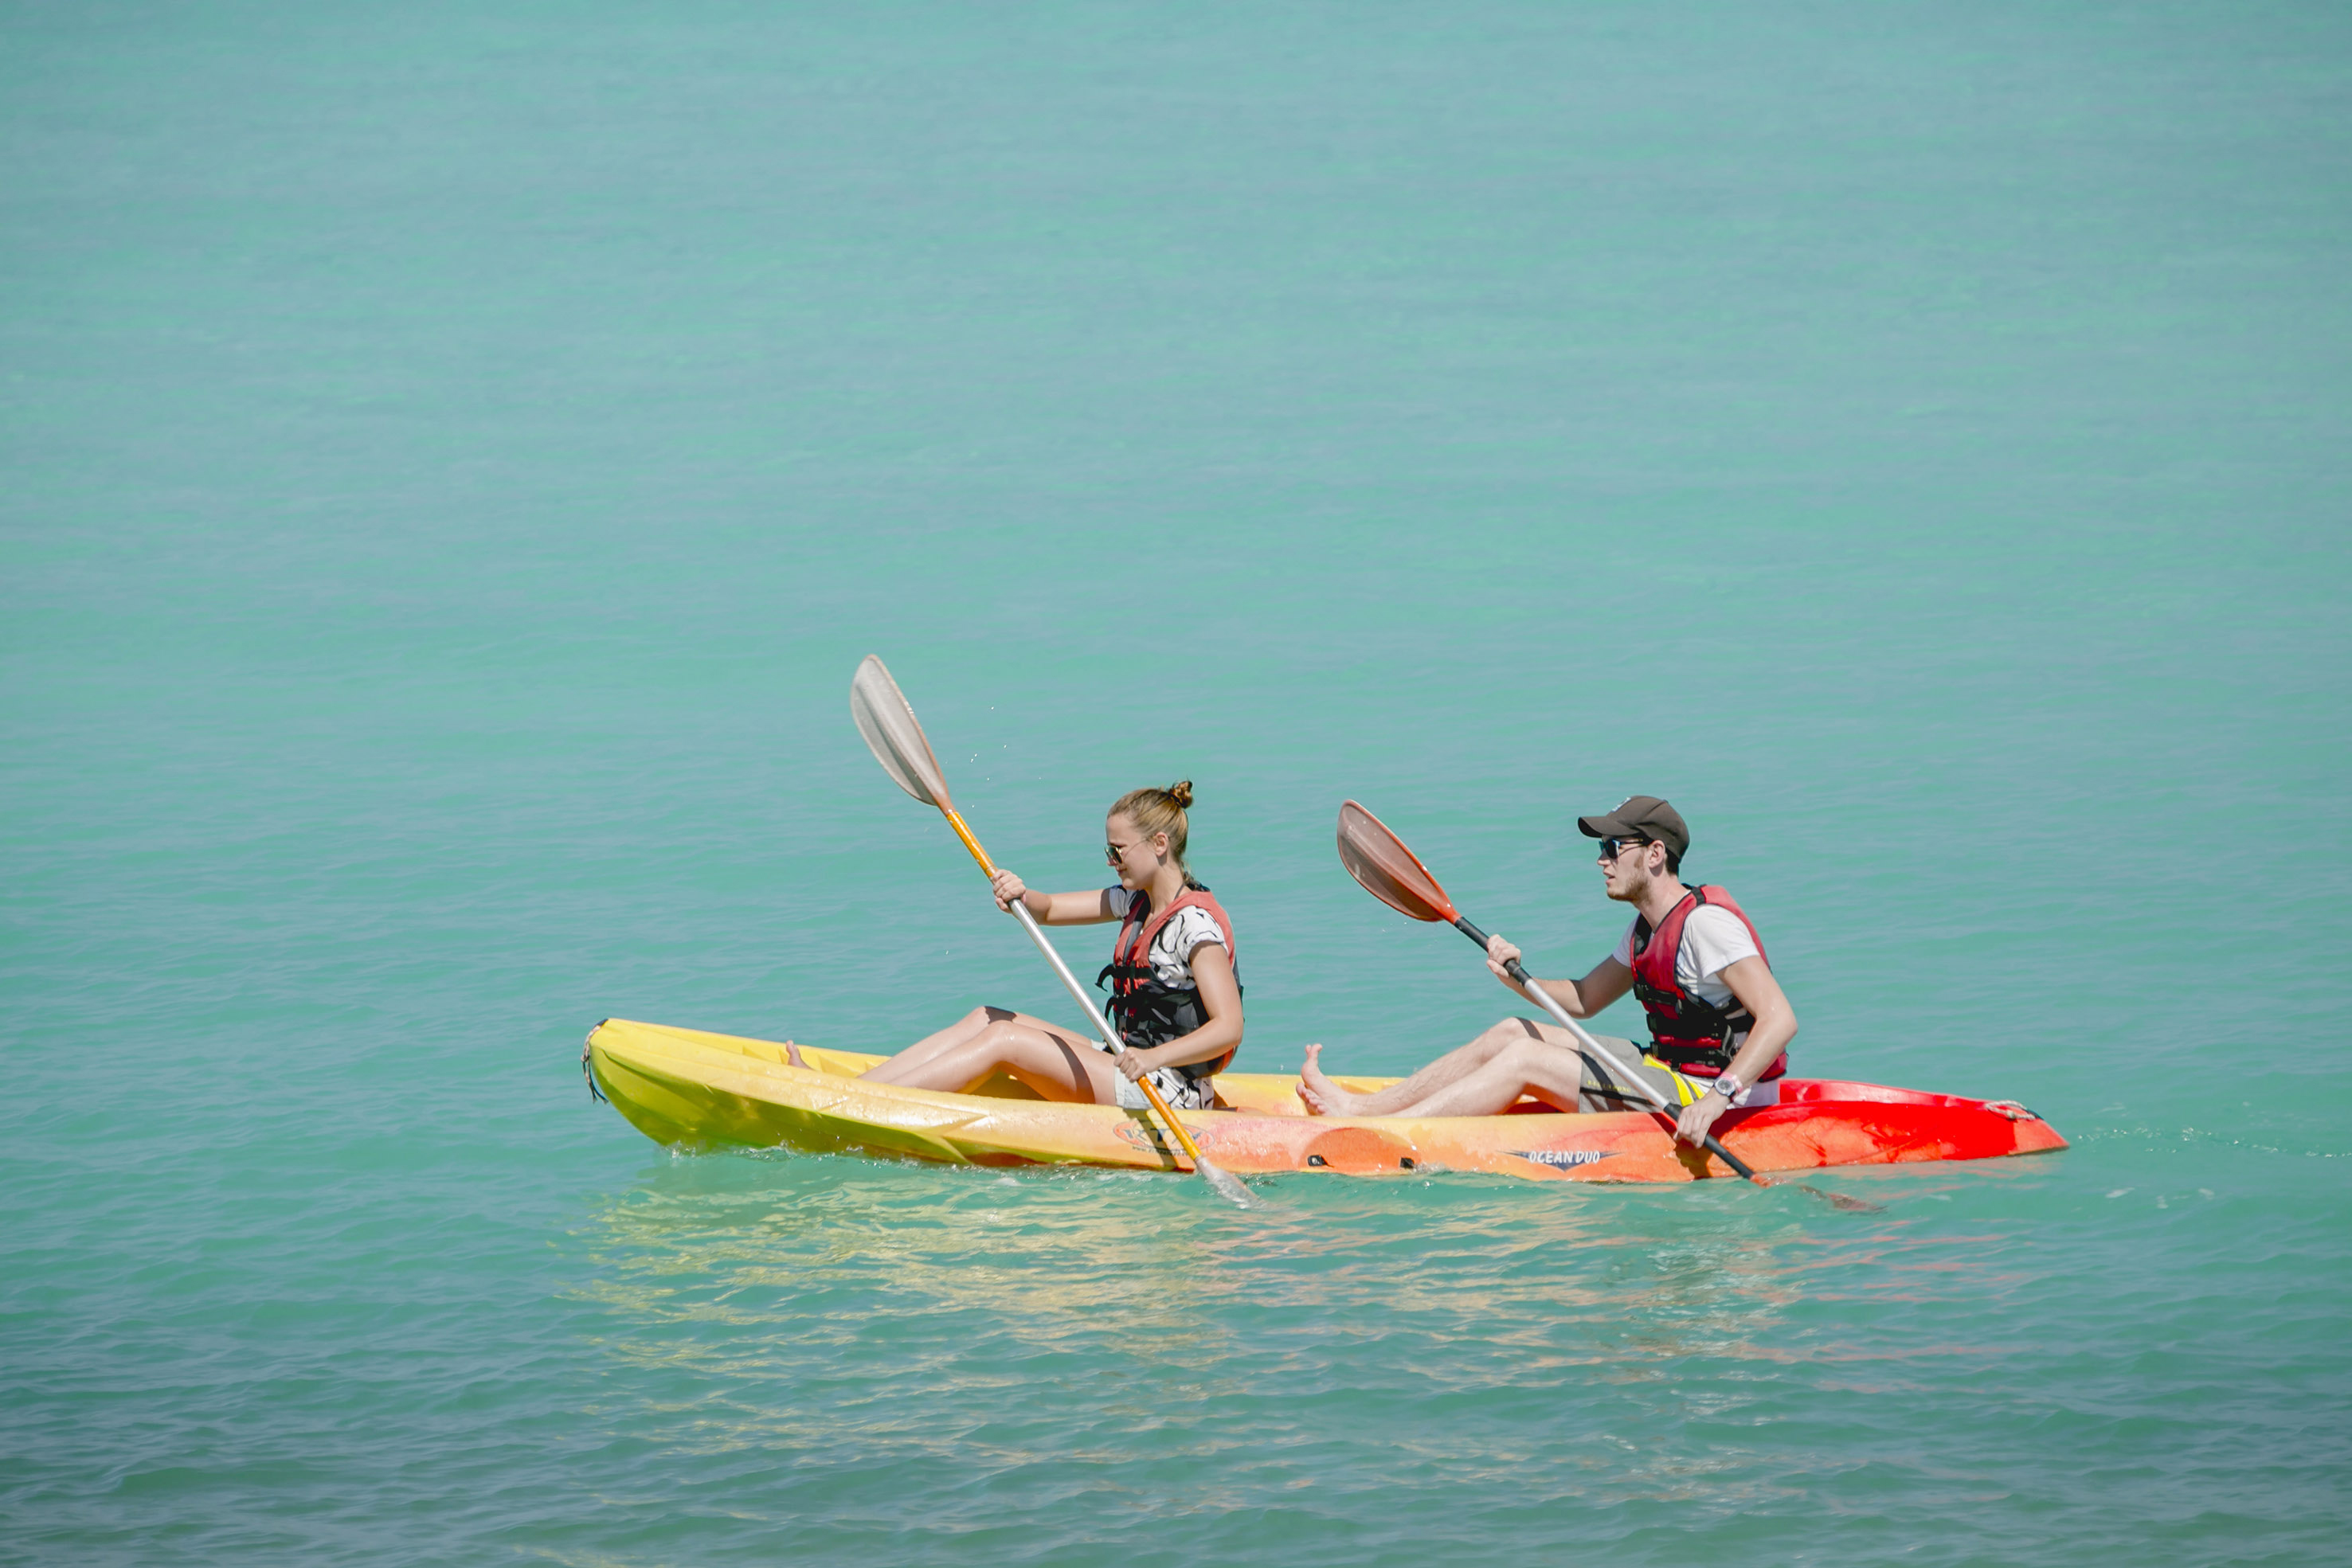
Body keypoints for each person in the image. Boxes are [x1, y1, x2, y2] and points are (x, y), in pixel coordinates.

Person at [1297, 796, 1795, 1149]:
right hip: (1669, 1069)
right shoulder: (1644, 929)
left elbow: (1778, 1019)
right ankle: (1365, 1109)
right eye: (1600, 849)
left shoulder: (1706, 926)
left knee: (1524, 1062)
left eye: (1612, 848)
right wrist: (1516, 977)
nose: (1602, 860)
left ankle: (1383, 1136)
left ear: (1655, 854)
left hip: (1718, 1096)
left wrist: (1716, 1101)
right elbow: (1583, 999)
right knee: (1512, 1032)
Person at [790, 782, 1243, 1109]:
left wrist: (1151, 1059)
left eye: (1117, 850)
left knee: (1005, 1041)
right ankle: (853, 1091)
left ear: (1159, 843)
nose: (1110, 861)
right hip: (1126, 1060)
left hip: (1166, 1089)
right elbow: (1048, 910)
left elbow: (1228, 1028)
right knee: (987, 1017)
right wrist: (1019, 893)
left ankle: (854, 1105)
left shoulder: (1195, 927)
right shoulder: (1135, 900)